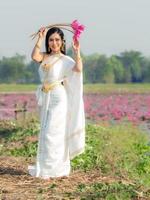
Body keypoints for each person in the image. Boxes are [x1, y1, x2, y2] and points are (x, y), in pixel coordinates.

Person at [28, 26, 85, 179]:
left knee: (53, 132)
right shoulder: (45, 56)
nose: (54, 43)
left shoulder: (66, 60)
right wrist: (40, 38)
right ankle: (46, 167)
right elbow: (34, 56)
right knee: (46, 130)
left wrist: (77, 51)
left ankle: (57, 169)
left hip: (59, 98)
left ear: (62, 42)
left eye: (57, 40)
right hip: (46, 97)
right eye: (51, 40)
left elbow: (78, 69)